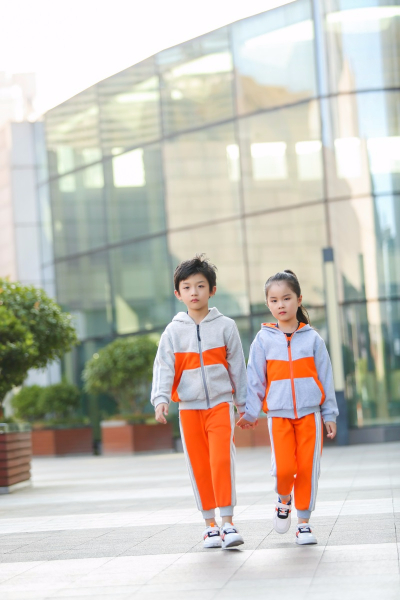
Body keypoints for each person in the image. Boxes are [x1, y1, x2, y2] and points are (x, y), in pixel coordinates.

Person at [151, 254, 247, 549]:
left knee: (221, 460)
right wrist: (161, 398)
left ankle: (228, 523)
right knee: (199, 465)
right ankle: (210, 526)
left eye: (201, 285)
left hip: (220, 405)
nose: (194, 292)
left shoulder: (226, 326)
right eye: (187, 287)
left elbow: (238, 367)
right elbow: (164, 367)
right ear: (178, 294)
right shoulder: (173, 332)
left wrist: (243, 403)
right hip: (189, 408)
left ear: (212, 290)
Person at [237, 270, 338, 545]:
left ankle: (304, 523)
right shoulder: (263, 340)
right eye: (274, 300)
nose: (280, 304)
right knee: (284, 469)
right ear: (267, 304)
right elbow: (255, 380)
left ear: (299, 299)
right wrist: (250, 412)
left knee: (307, 469)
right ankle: (283, 500)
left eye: (286, 298)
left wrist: (329, 413)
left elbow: (326, 377)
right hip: (278, 415)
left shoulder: (313, 339)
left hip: (310, 415)